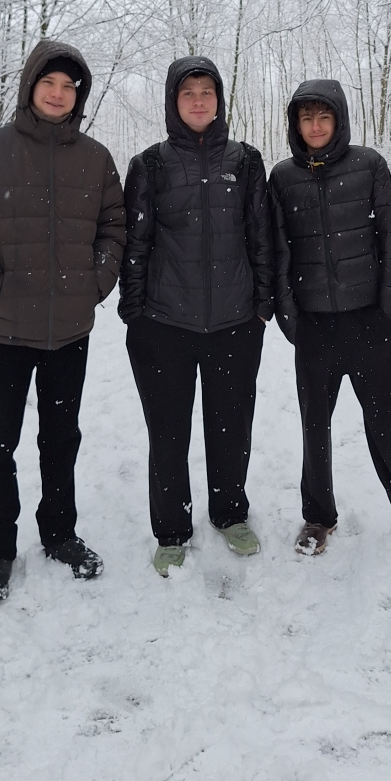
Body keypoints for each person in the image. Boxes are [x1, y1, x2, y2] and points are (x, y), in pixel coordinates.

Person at [0, 40, 125, 603]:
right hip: (3, 330)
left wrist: (95, 284)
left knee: (60, 439)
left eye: (69, 86)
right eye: (50, 83)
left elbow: (115, 228)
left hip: (69, 331)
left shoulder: (95, 159)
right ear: (30, 87)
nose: (58, 94)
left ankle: (60, 533)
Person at [268, 79, 391, 581]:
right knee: (315, 429)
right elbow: (278, 252)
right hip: (315, 327)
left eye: (324, 116)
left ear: (338, 120)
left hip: (370, 325)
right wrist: (291, 319)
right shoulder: (283, 177)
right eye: (306, 118)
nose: (315, 126)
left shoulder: (368, 166)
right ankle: (318, 517)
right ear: (295, 124)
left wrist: (389, 316)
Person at [119, 57, 274, 576]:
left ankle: (230, 513)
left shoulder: (246, 161)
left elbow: (261, 235)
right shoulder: (150, 164)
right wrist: (134, 315)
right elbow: (135, 243)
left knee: (231, 427)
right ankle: (171, 529)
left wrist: (262, 307)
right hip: (165, 325)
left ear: (219, 100)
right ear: (173, 102)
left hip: (235, 323)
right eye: (188, 93)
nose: (199, 101)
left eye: (207, 91)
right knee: (167, 434)